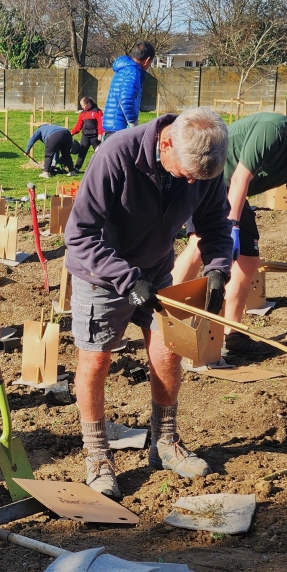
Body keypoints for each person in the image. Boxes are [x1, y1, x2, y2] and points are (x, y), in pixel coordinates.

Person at [65, 108, 233, 498]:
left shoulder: (204, 165)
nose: (192, 181)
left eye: (199, 178)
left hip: (156, 268)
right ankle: (98, 457)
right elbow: (80, 235)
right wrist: (126, 280)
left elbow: (214, 226)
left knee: (168, 348)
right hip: (101, 272)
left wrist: (218, 268)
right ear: (167, 142)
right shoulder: (115, 155)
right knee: (96, 359)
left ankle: (164, 442)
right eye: (187, 173)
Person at [170, 109, 287, 353]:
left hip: (232, 195)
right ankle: (163, 315)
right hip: (207, 180)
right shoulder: (274, 130)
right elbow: (240, 178)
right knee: (199, 245)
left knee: (248, 261)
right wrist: (233, 227)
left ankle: (231, 334)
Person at [102, 42, 155, 135]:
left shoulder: (124, 69)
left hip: (113, 126)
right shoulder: (133, 71)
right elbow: (126, 99)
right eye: (151, 62)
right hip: (119, 129)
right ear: (147, 60)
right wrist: (133, 125)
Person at [70, 96, 103, 171]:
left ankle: (100, 168)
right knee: (82, 151)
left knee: (99, 152)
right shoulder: (82, 113)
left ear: (88, 103)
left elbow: (101, 123)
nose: (82, 107)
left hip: (95, 136)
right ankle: (77, 168)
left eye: (83, 105)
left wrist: (100, 133)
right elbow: (79, 125)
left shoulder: (97, 111)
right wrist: (72, 132)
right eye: (81, 105)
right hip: (85, 136)